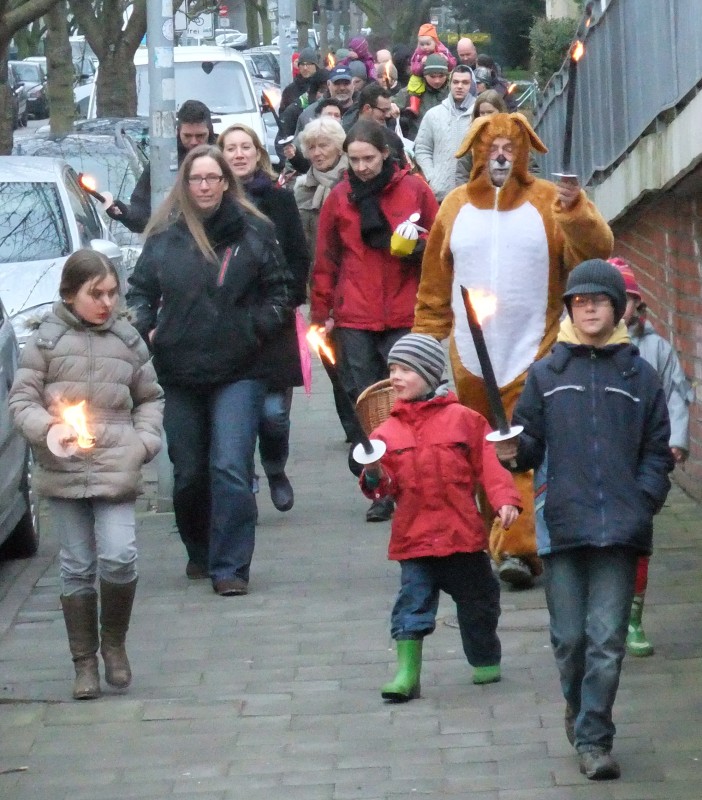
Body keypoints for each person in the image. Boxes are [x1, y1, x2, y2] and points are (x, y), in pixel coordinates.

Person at [413, 112, 614, 588]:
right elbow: (434, 285)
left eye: (510, 146)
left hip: (534, 350)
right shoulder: (455, 206)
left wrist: (576, 211)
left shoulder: (549, 202)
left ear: (525, 151)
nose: (501, 155)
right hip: (469, 356)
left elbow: (596, 253)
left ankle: (520, 548)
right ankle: (490, 537)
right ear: (477, 151)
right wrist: (424, 341)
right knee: (477, 453)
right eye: (492, 146)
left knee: (521, 449)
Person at [494, 259, 673, 780]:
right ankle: (579, 707)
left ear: (617, 307)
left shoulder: (639, 374)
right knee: (570, 639)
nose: (588, 307)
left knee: (606, 640)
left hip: (621, 527)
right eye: (579, 300)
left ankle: (595, 737)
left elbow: (658, 450)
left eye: (598, 300)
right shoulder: (548, 373)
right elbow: (529, 446)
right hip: (563, 524)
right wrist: (511, 451)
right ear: (569, 308)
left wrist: (643, 500)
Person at [127, 145, 291, 597]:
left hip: (240, 369)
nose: (204, 186)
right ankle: (199, 550)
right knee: (190, 473)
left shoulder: (254, 233)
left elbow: (281, 292)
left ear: (225, 183)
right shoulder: (164, 237)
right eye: (196, 179)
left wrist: (251, 327)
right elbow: (139, 293)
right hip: (179, 371)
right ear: (185, 184)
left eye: (211, 178)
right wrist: (148, 328)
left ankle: (231, 565)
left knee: (231, 466)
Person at [9, 250, 164, 700]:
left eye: (113, 293)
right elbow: (22, 402)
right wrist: (49, 429)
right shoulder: (47, 343)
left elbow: (150, 398)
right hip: (65, 467)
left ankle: (114, 643)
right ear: (70, 294)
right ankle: (84, 661)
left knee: (120, 555)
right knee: (76, 564)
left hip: (116, 464)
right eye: (95, 294)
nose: (106, 303)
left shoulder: (128, 340)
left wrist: (143, 442)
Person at [359, 334, 520, 702]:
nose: (396, 377)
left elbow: (490, 463)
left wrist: (505, 499)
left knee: (479, 602)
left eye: (406, 370)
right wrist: (372, 474)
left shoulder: (465, 420)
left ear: (430, 374)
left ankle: (484, 657)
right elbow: (381, 487)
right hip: (414, 540)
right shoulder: (386, 432)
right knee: (411, 606)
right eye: (393, 369)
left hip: (461, 536)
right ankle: (406, 672)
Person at [309, 120, 439, 520]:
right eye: (355, 159)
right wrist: (320, 314)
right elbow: (326, 260)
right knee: (366, 403)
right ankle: (380, 487)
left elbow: (439, 244)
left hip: (403, 311)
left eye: (369, 158)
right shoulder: (339, 197)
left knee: (410, 399)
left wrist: (415, 245)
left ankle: (418, 481)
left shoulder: (415, 190)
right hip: (356, 315)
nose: (362, 167)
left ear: (386, 154)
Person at [219, 124, 309, 513]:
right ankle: (245, 487)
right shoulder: (211, 201)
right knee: (235, 418)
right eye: (230, 149)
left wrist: (286, 302)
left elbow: (297, 256)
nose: (239, 155)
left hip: (273, 321)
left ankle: (274, 467)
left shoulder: (279, 199)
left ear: (258, 153)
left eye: (245, 148)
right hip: (228, 325)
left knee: (273, 415)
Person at [609, 256, 692, 657]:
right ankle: (605, 613)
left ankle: (633, 618)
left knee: (639, 538)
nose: (613, 307)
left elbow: (676, 394)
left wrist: (676, 440)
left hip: (643, 458)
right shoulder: (579, 351)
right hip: (601, 461)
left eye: (622, 298)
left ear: (637, 304)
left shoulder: (656, 349)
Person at [293, 117, 358, 444]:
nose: (318, 153)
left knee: (356, 360)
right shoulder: (301, 189)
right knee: (332, 361)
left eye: (324, 145)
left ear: (338, 146)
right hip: (318, 286)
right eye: (312, 147)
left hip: (354, 284)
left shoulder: (353, 180)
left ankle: (364, 421)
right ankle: (351, 427)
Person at [106, 100, 216, 233]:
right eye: (187, 136)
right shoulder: (163, 160)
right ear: (178, 131)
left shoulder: (222, 155)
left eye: (200, 136)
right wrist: (125, 214)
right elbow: (143, 210)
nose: (193, 142)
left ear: (209, 131)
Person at [414, 65, 475, 202]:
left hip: (472, 195)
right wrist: (432, 176)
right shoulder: (433, 114)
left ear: (472, 85)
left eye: (465, 83)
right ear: (449, 83)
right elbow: (422, 148)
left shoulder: (479, 115)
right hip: (440, 195)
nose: (459, 86)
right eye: (455, 82)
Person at [455, 90, 509, 185]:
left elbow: (530, 169)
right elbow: (462, 174)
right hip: (479, 195)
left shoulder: (514, 136)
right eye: (482, 113)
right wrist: (465, 197)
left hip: (511, 195)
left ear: (500, 111)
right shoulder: (472, 139)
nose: (486, 116)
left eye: (490, 112)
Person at [395, 54, 451, 141]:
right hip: (419, 141)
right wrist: (392, 106)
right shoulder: (412, 91)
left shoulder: (452, 91)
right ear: (424, 75)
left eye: (441, 76)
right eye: (432, 76)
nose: (437, 81)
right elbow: (390, 103)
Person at [405, 23, 456, 117]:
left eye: (428, 44)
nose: (425, 47)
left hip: (446, 75)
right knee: (414, 82)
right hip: (421, 78)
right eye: (422, 44)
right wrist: (421, 65)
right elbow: (414, 69)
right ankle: (414, 105)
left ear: (435, 42)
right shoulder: (418, 54)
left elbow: (453, 63)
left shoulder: (443, 50)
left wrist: (446, 59)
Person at [280, 47, 319, 113]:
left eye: (309, 64)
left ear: (316, 66)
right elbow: (284, 114)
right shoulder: (290, 90)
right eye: (302, 64)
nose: (305, 68)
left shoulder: (324, 86)